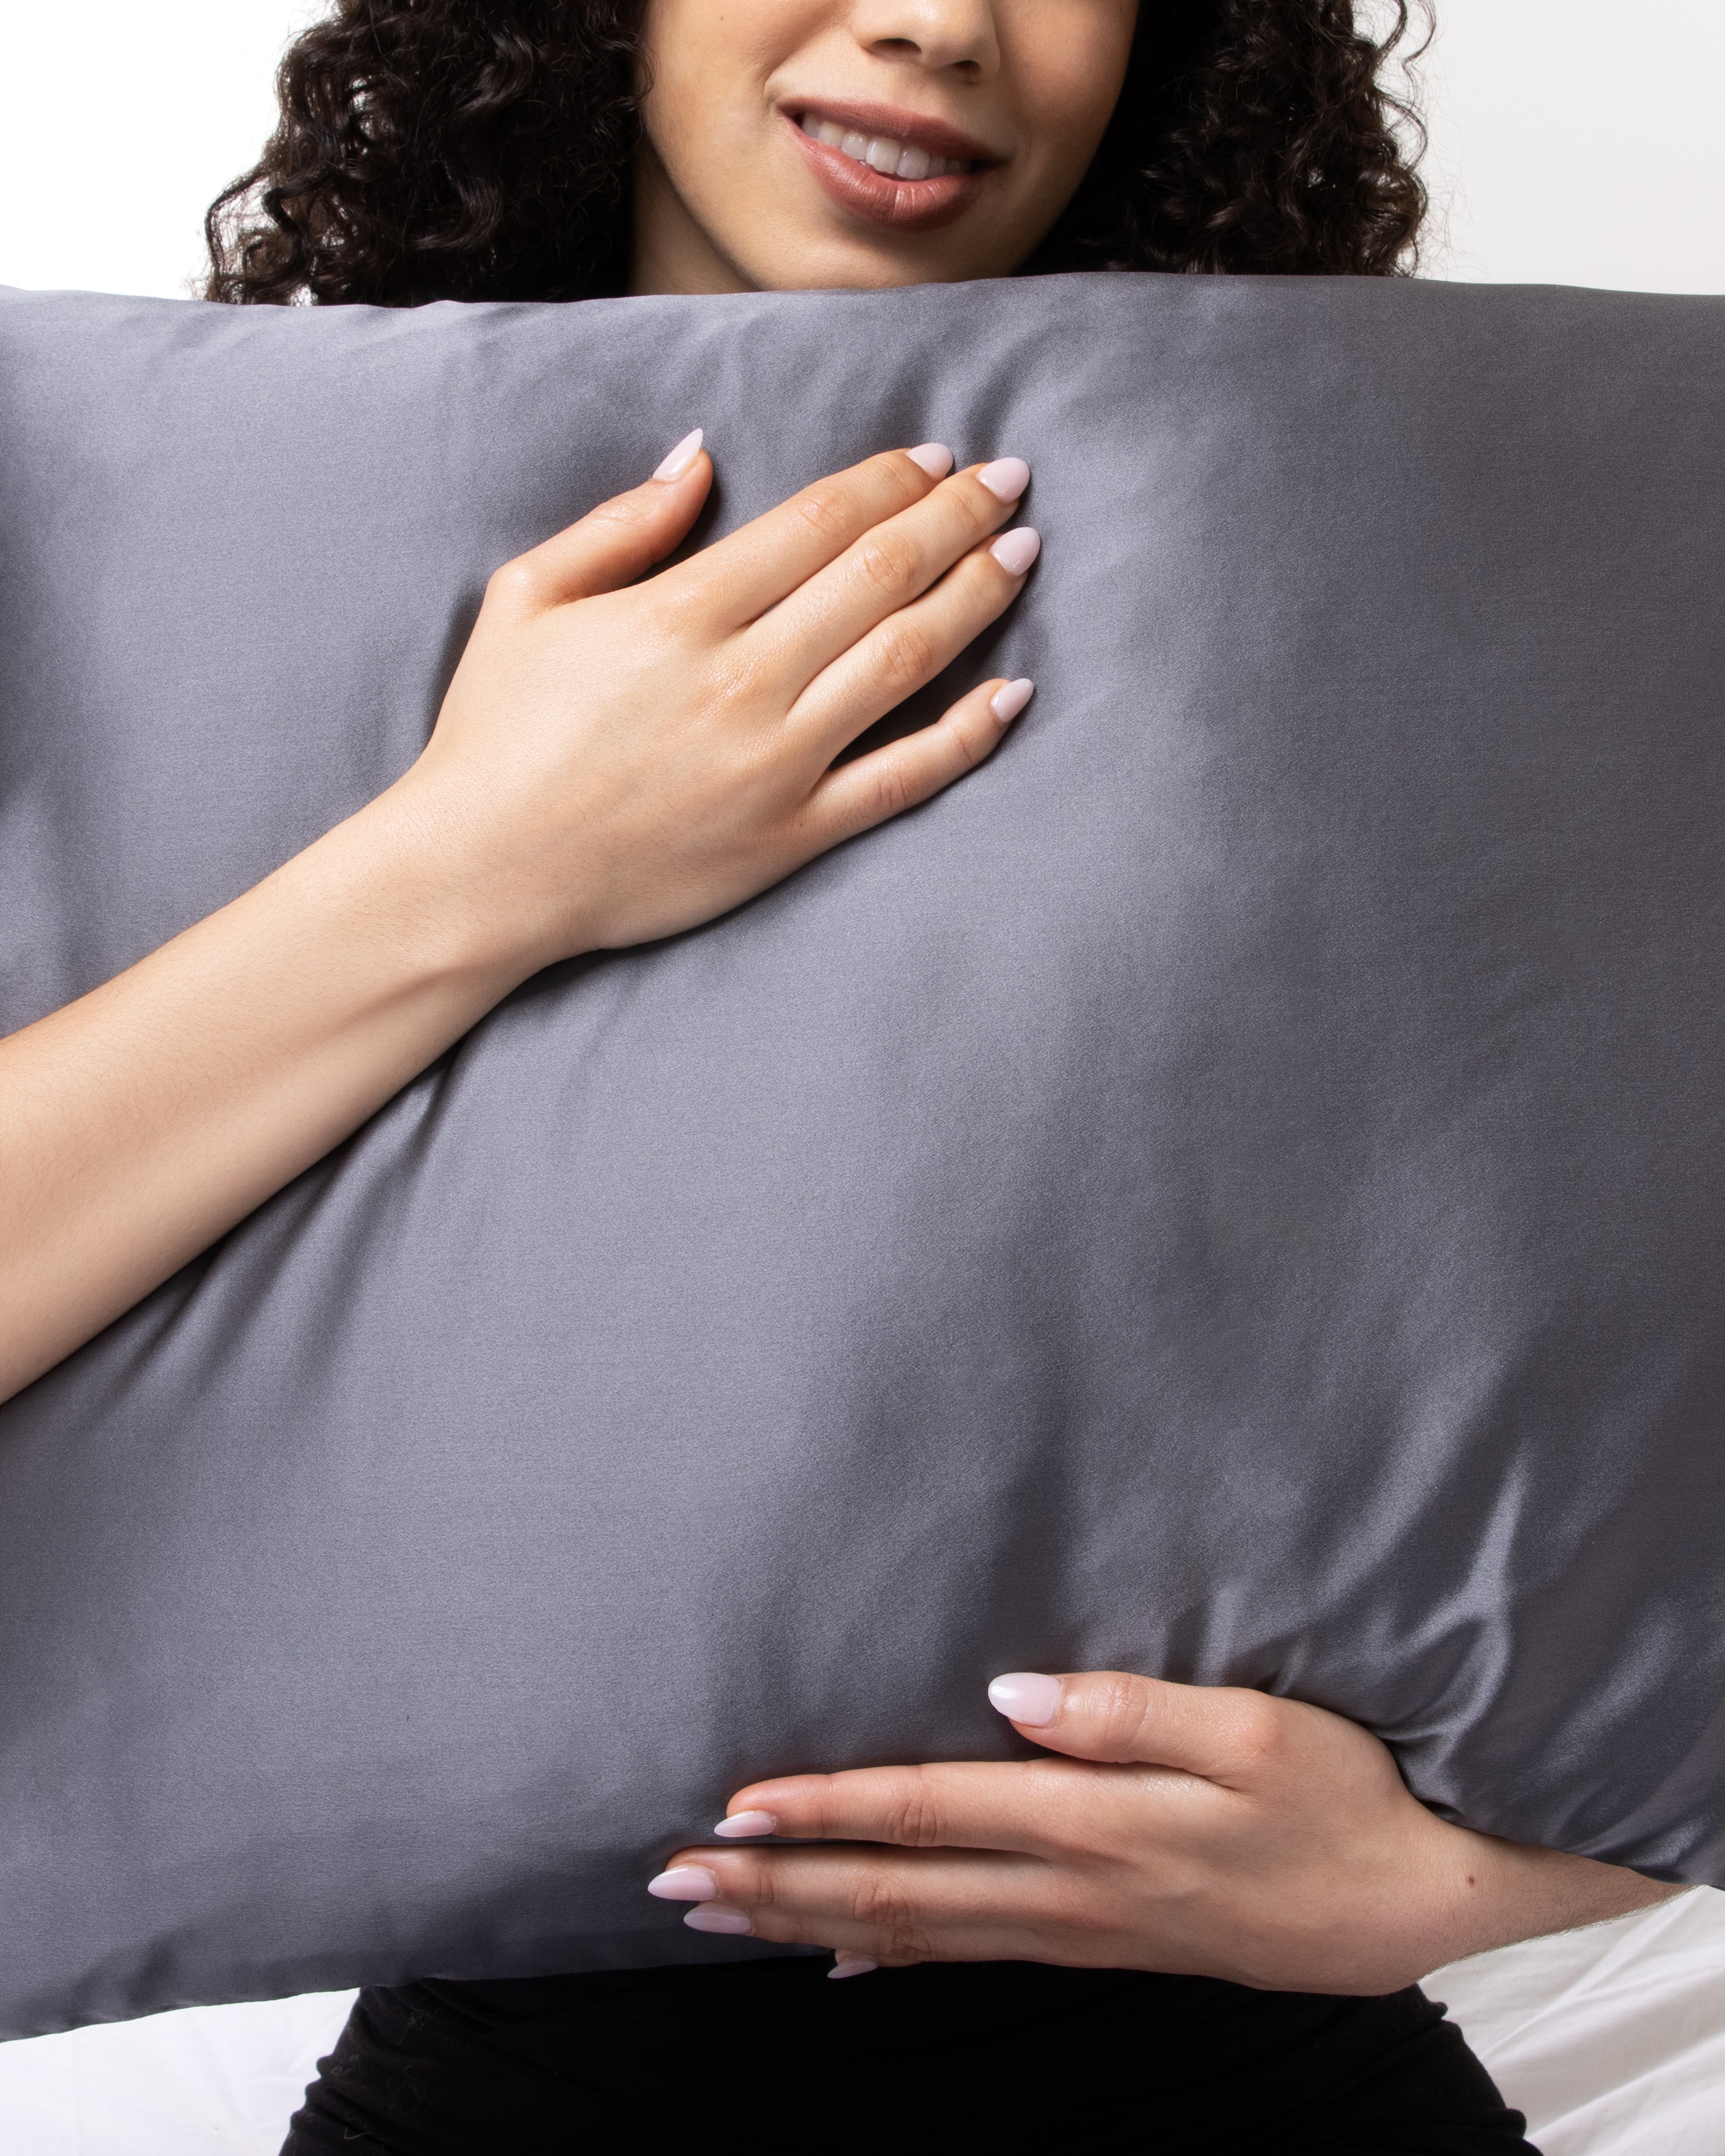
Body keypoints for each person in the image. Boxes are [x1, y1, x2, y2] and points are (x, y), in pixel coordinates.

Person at [0, 2, 1675, 2148]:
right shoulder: (201, 551)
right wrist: (487, 856)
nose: (932, 18)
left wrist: (1464, 1882)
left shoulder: (1376, 578)